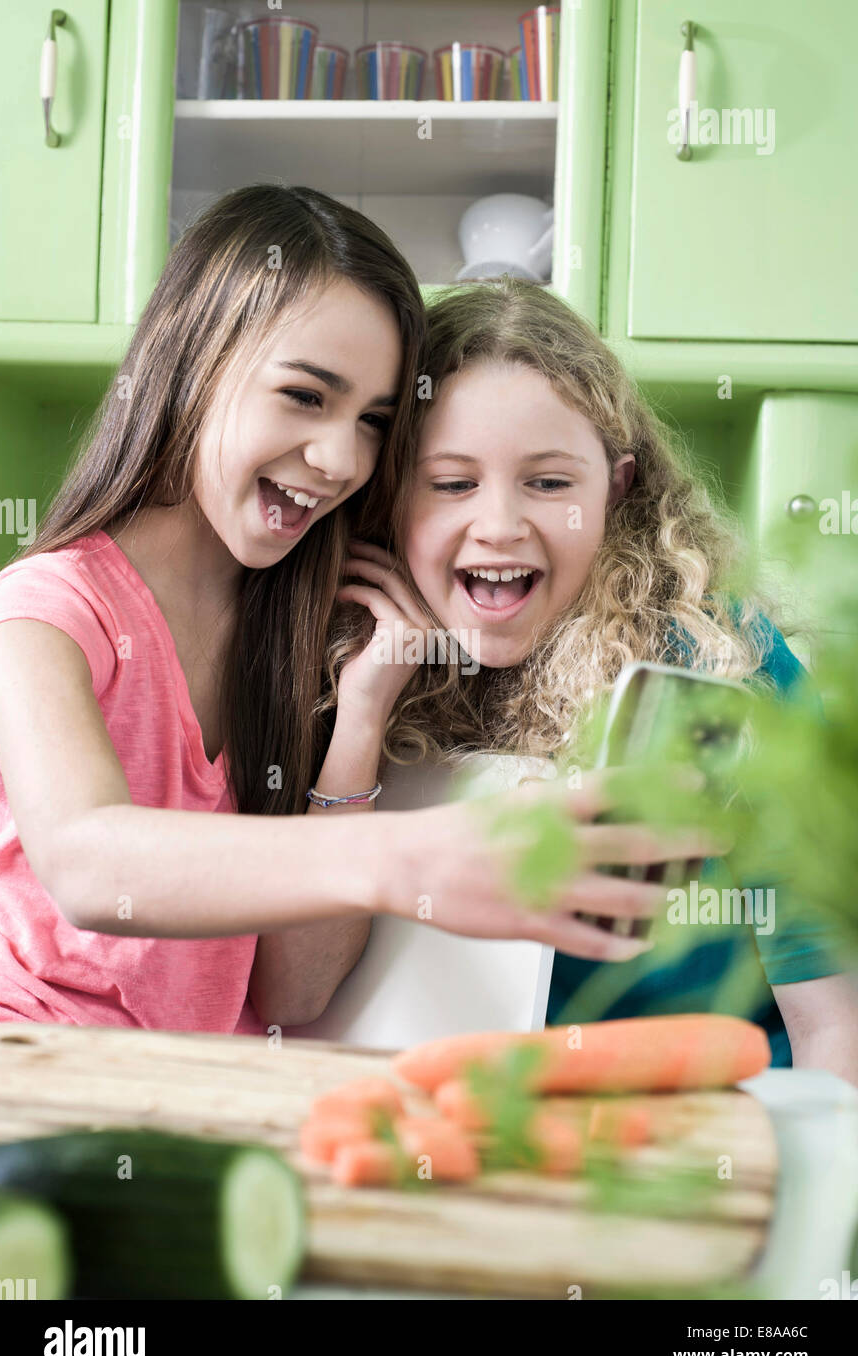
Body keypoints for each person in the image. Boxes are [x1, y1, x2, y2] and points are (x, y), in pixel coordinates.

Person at [0, 192, 685, 1035]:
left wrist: (359, 717)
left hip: (199, 1103)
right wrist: (410, 856)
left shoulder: (293, 628)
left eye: (372, 422)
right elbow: (86, 864)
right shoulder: (45, 610)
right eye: (304, 396)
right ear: (192, 364)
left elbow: (293, 998)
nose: (339, 459)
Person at [316, 278, 857, 1082]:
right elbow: (302, 994)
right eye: (451, 482)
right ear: (389, 496)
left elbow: (835, 1026)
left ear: (619, 489)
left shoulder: (719, 662)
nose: (500, 525)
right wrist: (359, 721)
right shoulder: (337, 657)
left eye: (549, 482)